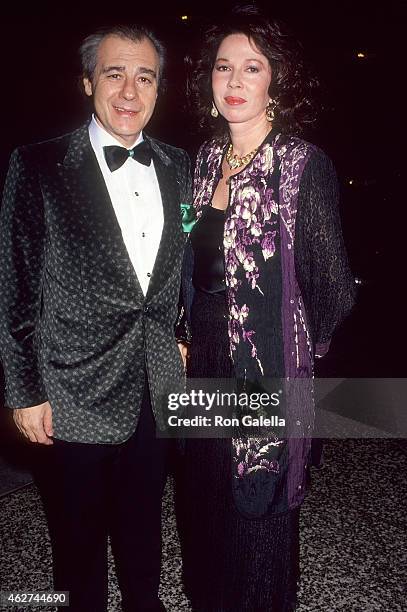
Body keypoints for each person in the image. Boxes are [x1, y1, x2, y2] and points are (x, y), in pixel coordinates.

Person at [0, 24, 191, 612]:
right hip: (70, 386)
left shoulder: (181, 166)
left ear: (159, 89)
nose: (130, 90)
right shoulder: (37, 165)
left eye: (145, 76)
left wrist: (181, 333)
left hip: (156, 384)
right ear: (88, 83)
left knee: (143, 522)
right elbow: (13, 285)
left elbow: (186, 265)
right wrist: (24, 390)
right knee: (76, 538)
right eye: (114, 73)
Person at [176, 7, 356, 612]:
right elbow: (188, 262)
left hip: (264, 358)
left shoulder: (304, 167)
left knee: (256, 509)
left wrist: (295, 351)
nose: (234, 81)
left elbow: (332, 289)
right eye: (223, 67)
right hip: (201, 357)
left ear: (276, 80)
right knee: (203, 501)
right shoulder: (202, 163)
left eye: (251, 67)